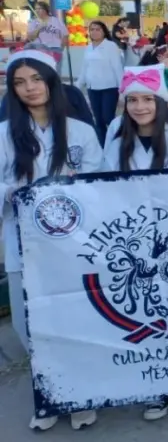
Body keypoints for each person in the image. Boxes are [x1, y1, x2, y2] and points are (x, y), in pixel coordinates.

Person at [2, 49, 102, 431]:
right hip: (23, 243)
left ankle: (78, 393)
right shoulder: (3, 135)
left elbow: (101, 183)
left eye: (36, 79)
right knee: (27, 323)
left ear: (51, 82)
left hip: (72, 245)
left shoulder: (81, 132)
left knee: (74, 317)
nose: (29, 88)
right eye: (20, 83)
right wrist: (11, 191)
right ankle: (50, 393)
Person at [76, 20, 124, 145]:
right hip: (93, 88)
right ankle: (102, 146)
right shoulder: (88, 48)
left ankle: (118, 141)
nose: (94, 32)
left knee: (108, 117)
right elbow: (84, 68)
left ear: (104, 31)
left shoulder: (110, 46)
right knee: (98, 120)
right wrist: (77, 86)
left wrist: (123, 89)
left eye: (98, 29)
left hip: (109, 87)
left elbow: (117, 68)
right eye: (92, 29)